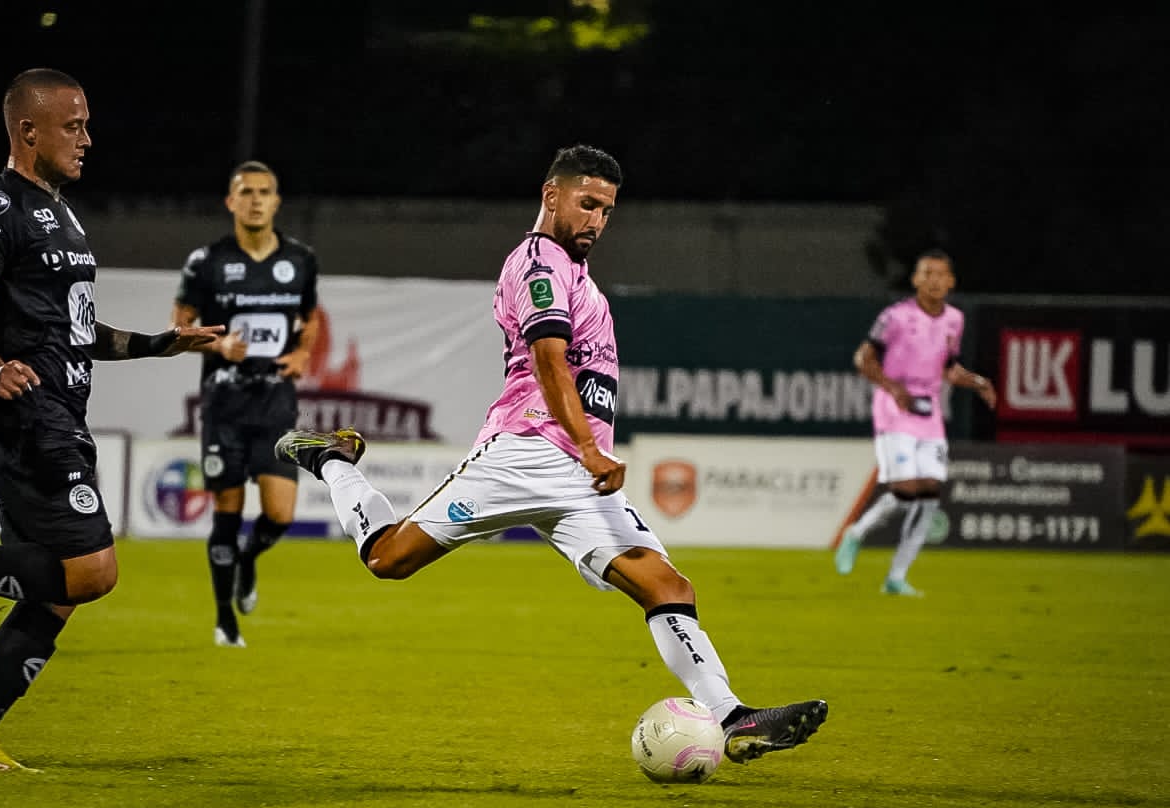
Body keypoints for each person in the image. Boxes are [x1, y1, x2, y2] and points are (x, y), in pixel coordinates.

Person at [276, 145, 828, 765]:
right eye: (587, 203)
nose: (597, 219)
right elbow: (548, 360)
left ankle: (731, 717)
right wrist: (591, 449)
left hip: (576, 478)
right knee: (387, 559)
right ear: (551, 196)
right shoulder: (536, 261)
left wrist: (588, 456)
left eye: (607, 210)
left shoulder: (575, 272)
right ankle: (335, 460)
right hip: (525, 454)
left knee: (666, 585)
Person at [0, 68, 221, 772]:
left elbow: (77, 334)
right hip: (30, 423)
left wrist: (164, 343)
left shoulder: (59, 212)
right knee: (90, 573)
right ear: (28, 131)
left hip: (56, 416)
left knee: (51, 597)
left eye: (86, 124)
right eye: (73, 125)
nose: (88, 138)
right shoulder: (1, 211)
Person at [171, 161, 319, 649]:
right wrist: (216, 347)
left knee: (280, 514)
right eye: (246, 192)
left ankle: (248, 561)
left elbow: (309, 316)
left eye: (264, 192)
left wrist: (301, 353)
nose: (255, 199)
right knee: (227, 514)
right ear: (230, 202)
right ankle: (223, 621)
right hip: (225, 406)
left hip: (275, 403)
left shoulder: (299, 259)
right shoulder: (207, 261)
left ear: (276, 201)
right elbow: (180, 327)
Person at [834, 248, 997, 595]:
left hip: (930, 412)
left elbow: (949, 368)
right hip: (894, 409)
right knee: (907, 489)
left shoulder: (954, 319)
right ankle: (857, 532)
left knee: (930, 494)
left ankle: (896, 576)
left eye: (941, 274)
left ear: (951, 281)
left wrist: (979, 382)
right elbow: (863, 358)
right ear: (916, 279)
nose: (935, 280)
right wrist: (892, 388)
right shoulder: (895, 317)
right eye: (927, 273)